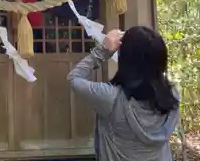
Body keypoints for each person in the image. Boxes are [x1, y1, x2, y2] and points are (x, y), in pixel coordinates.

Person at [67, 26, 179, 161]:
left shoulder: (110, 98)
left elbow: (74, 78)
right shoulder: (172, 95)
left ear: (125, 57)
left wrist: (103, 50)